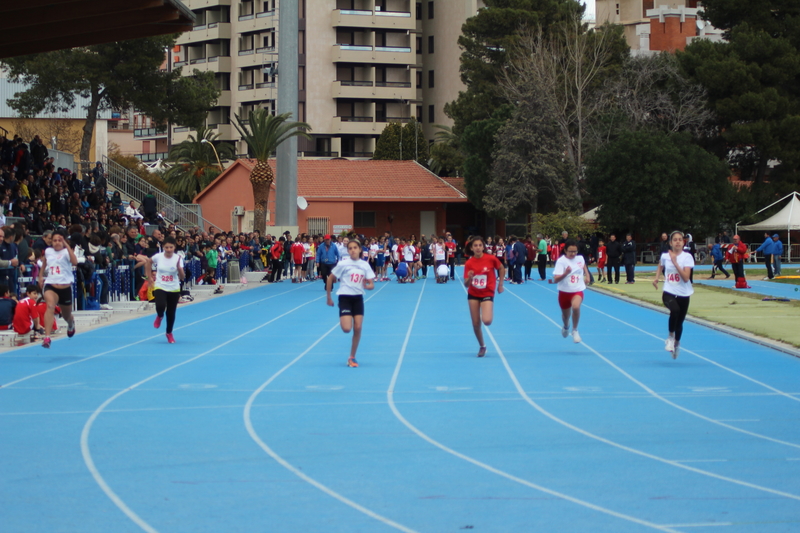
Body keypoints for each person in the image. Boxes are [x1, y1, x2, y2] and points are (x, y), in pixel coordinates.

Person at [326, 239, 375, 368]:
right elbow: (330, 279)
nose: (353, 250)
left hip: (358, 298)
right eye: (350, 248)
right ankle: (344, 316)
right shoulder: (343, 264)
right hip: (345, 298)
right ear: (348, 251)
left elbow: (371, 285)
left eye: (355, 248)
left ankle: (352, 356)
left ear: (360, 250)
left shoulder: (365, 265)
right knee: (347, 329)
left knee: (358, 327)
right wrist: (329, 298)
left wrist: (366, 285)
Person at [652, 231, 695, 359]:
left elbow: (686, 278)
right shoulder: (665, 256)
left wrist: (675, 263)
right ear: (670, 243)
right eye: (675, 240)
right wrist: (656, 278)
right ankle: (670, 337)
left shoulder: (687, 257)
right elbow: (660, 265)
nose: (677, 241)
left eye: (680, 240)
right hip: (669, 291)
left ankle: (677, 344)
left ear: (683, 242)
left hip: (684, 293)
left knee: (679, 323)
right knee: (674, 310)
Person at [463, 236, 505, 358]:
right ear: (471, 248)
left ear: (483, 247)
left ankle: (484, 311)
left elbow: (501, 268)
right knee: (476, 324)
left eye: (480, 245)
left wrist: (500, 284)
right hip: (473, 293)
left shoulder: (491, 259)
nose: (478, 248)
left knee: (487, 321)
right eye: (475, 245)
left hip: (487, 292)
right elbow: (466, 284)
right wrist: (470, 278)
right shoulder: (469, 263)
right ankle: (482, 346)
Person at [37, 230, 78, 348]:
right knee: (50, 306)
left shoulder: (66, 252)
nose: (57, 243)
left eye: (59, 240)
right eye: (54, 240)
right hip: (51, 285)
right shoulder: (48, 251)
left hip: (65, 286)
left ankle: (71, 323)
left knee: (66, 316)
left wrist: (67, 245)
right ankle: (47, 337)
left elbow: (74, 262)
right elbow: (44, 263)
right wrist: (40, 277)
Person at [146, 237, 185, 344]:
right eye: (166, 247)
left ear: (174, 247)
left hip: (173, 287)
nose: (168, 249)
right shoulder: (158, 257)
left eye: (171, 247)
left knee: (171, 312)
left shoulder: (178, 258)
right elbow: (148, 262)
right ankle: (159, 315)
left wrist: (179, 269)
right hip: (160, 285)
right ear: (163, 247)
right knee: (160, 305)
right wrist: (149, 277)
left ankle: (169, 333)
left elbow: (182, 277)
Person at [552, 240, 590, 344]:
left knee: (576, 307)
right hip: (564, 292)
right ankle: (566, 326)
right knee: (565, 316)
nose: (573, 254)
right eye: (570, 252)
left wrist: (587, 275)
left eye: (575, 251)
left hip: (577, 289)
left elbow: (583, 265)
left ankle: (575, 330)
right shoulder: (561, 261)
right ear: (565, 250)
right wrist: (566, 273)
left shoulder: (580, 258)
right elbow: (556, 279)